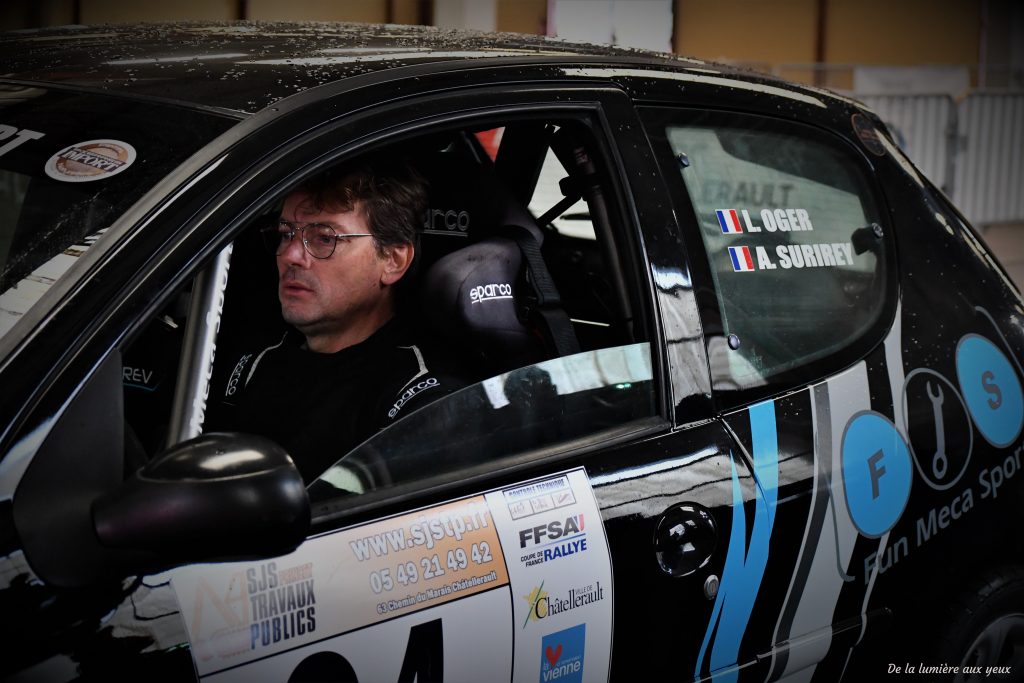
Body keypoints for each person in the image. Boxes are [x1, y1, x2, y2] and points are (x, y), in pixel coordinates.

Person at [212, 158, 463, 482]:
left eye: (324, 238)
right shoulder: (252, 358)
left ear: (393, 260)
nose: (290, 255)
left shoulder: (417, 396)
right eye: (286, 234)